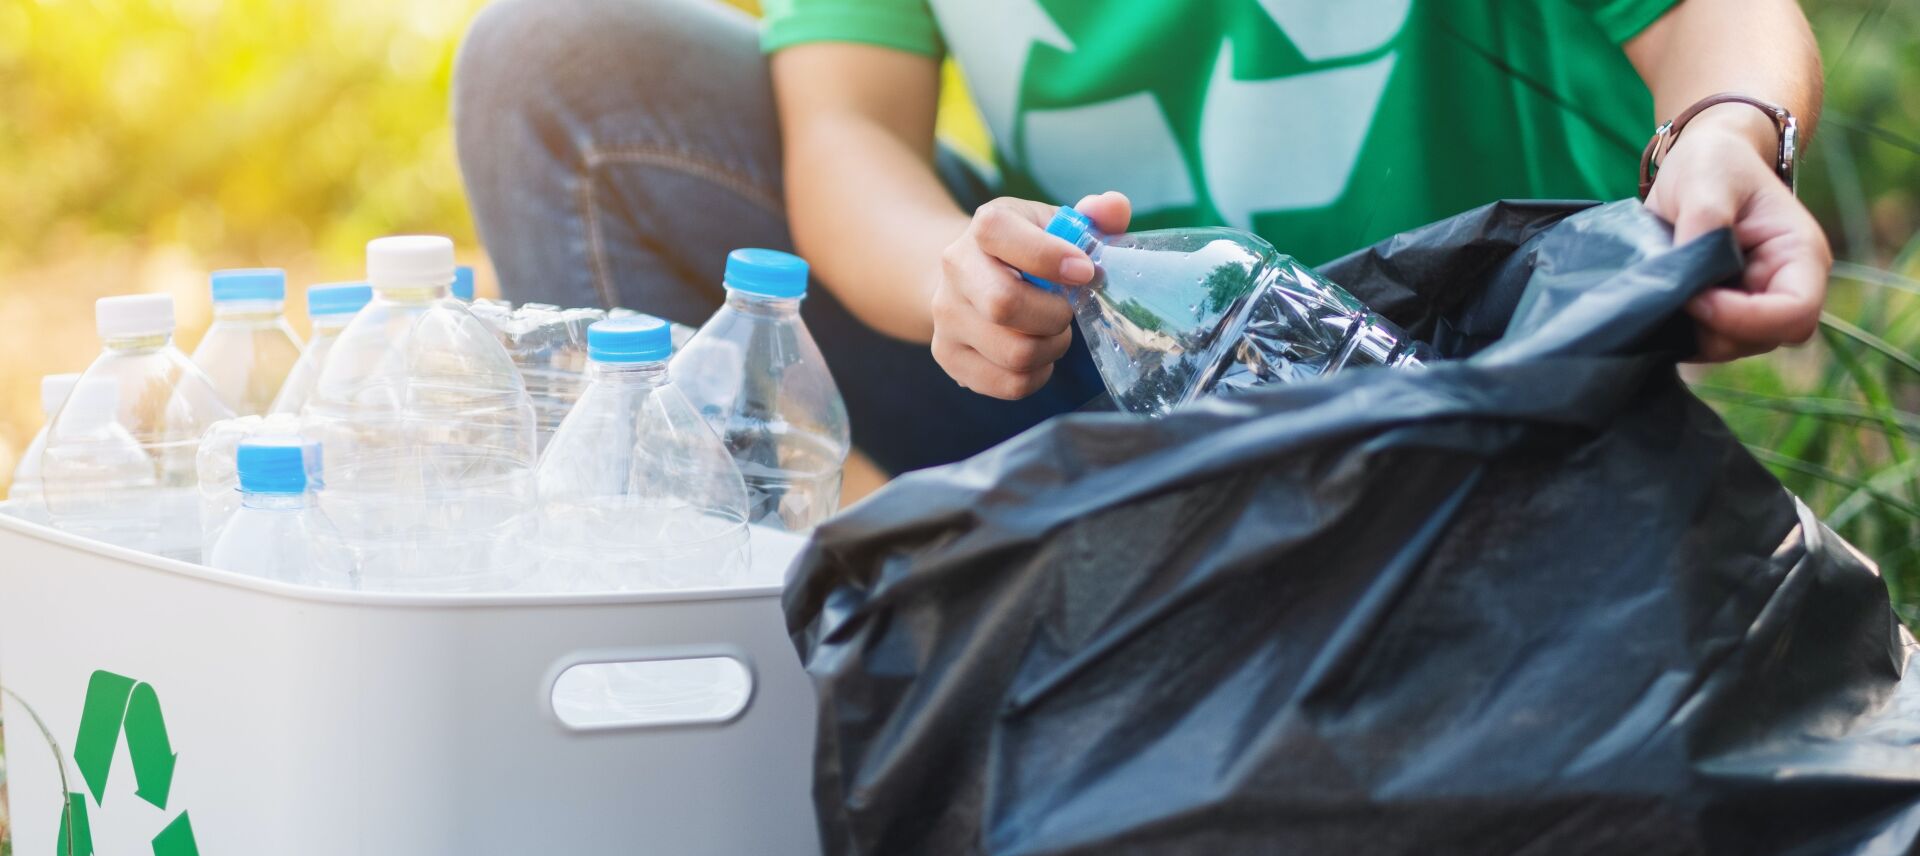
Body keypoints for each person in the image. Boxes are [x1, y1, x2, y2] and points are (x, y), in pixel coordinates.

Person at [453, 0, 1831, 475]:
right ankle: (777, 693)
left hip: (1459, 408)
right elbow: (848, 131)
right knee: (561, 71)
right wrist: (953, 269)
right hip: (1097, 364)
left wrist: (1725, 133)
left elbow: (1720, 20)